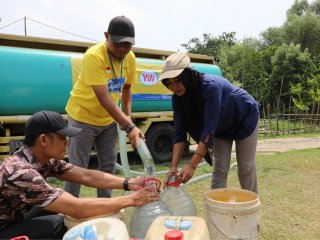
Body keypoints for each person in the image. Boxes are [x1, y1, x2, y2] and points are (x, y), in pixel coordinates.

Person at [0, 111, 158, 239]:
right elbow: (77, 209)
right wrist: (130, 199)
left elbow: (86, 176)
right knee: (57, 224)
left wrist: (129, 183)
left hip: (14, 217)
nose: (66, 142)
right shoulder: (21, 172)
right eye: (62, 137)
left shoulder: (45, 160)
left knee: (54, 207)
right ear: (43, 139)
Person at [64, 15, 143, 198]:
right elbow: (104, 98)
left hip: (108, 120)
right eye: (118, 44)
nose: (123, 49)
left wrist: (128, 116)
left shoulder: (130, 57)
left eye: (127, 45)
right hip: (82, 117)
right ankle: (69, 211)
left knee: (108, 166)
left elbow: (127, 88)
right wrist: (129, 126)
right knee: (77, 168)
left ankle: (106, 208)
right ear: (106, 35)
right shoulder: (94, 56)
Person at [160, 52, 260, 194]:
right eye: (169, 83)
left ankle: (251, 207)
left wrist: (192, 165)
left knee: (245, 166)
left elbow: (208, 129)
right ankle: (217, 210)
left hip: (245, 118)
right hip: (222, 128)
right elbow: (179, 132)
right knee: (220, 167)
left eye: (177, 80)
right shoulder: (178, 98)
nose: (174, 87)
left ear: (186, 76)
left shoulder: (209, 86)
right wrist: (173, 167)